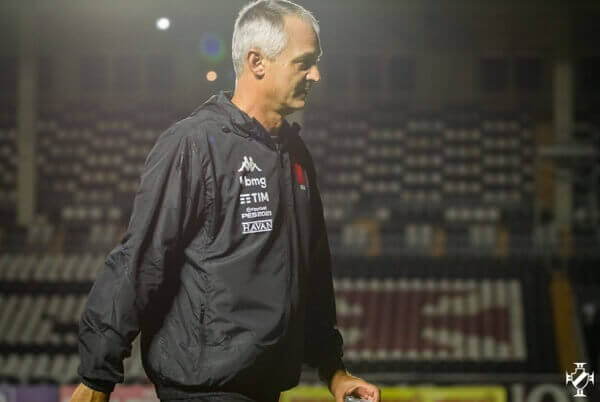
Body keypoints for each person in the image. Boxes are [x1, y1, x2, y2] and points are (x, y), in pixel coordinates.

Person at [71, 1, 381, 402]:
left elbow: (313, 275)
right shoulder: (194, 143)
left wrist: (334, 371)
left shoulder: (296, 155)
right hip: (203, 390)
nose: (316, 75)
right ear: (257, 62)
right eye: (304, 63)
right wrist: (97, 377)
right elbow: (141, 259)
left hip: (266, 389)